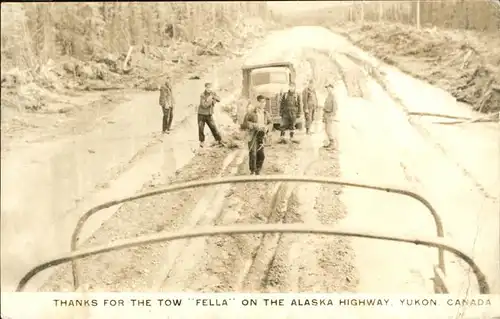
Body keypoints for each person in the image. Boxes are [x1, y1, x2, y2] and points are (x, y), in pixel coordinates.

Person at [241, 95, 272, 175]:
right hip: (252, 135)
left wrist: (267, 128)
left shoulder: (266, 113)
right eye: (261, 102)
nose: (262, 104)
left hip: (261, 136)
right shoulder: (251, 113)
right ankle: (252, 171)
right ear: (257, 102)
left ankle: (258, 170)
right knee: (253, 153)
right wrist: (255, 126)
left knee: (261, 155)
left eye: (264, 102)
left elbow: (270, 123)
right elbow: (244, 124)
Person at [198, 82, 223, 148]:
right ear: (205, 88)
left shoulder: (212, 93)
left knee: (213, 127)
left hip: (209, 114)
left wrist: (213, 97)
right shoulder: (202, 95)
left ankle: (219, 140)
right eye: (207, 87)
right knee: (201, 128)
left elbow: (219, 99)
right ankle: (202, 142)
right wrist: (211, 100)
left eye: (210, 87)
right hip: (201, 114)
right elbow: (204, 105)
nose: (209, 89)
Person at [323, 82, 337, 148]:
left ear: (332, 88)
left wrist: (332, 115)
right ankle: (330, 143)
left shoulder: (333, 96)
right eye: (327, 88)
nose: (328, 89)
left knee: (329, 130)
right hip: (326, 114)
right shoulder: (328, 96)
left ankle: (332, 143)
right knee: (326, 129)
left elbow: (335, 107)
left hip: (329, 115)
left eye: (329, 88)